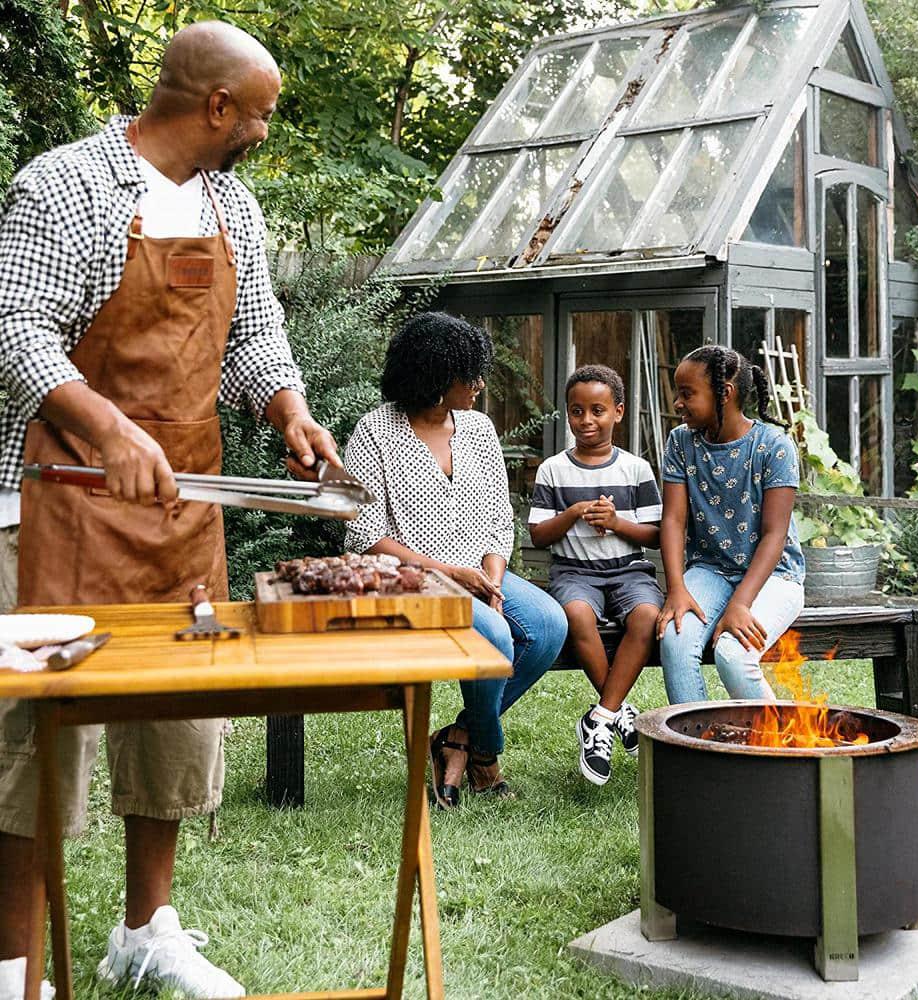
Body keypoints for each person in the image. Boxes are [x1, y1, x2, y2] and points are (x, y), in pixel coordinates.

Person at [0, 22, 340, 999]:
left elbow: (254, 336)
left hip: (182, 503)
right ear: (217, 107)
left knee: (180, 723)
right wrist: (108, 431)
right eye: (263, 113)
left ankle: (145, 930)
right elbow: (16, 328)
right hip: (54, 499)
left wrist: (289, 406)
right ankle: (14, 962)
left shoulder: (233, 204)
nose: (267, 132)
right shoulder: (63, 184)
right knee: (34, 740)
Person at [344, 312, 566, 808]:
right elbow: (364, 535)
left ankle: (458, 739)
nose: (480, 384)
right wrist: (450, 573)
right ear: (436, 376)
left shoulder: (479, 428)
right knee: (496, 633)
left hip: (478, 572)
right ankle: (486, 756)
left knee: (549, 624)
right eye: (469, 375)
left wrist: (490, 576)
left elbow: (497, 519)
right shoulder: (375, 431)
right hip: (410, 577)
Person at [528, 366, 661, 785]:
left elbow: (656, 534)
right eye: (577, 411)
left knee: (645, 618)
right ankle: (619, 711)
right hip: (574, 571)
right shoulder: (553, 470)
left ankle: (600, 715)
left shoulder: (636, 469)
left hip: (629, 571)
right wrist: (571, 514)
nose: (586, 421)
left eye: (598, 410)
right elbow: (538, 533)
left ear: (618, 412)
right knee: (577, 616)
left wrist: (618, 522)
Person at [657, 346, 805, 703]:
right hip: (710, 570)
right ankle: (695, 748)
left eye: (687, 393)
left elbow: (775, 534)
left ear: (725, 392)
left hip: (774, 575)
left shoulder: (774, 446)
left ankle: (782, 748)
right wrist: (676, 588)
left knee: (733, 654)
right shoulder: (681, 442)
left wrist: (741, 603)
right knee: (675, 641)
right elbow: (674, 521)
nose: (678, 403)